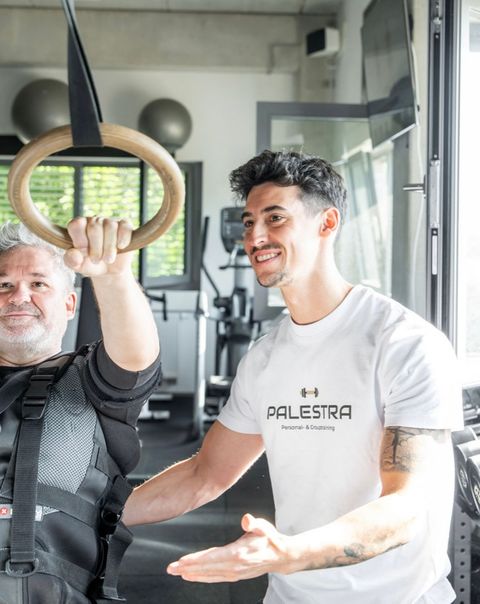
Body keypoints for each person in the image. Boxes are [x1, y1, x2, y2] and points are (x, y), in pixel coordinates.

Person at [123, 150, 463, 604]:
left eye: (275, 218)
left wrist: (287, 553)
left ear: (327, 223)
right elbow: (205, 474)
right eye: (249, 222)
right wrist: (88, 512)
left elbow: (406, 507)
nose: (255, 236)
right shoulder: (265, 359)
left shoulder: (404, 344)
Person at [0, 216, 161, 603]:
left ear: (70, 303)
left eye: (38, 284)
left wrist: (112, 275)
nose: (19, 296)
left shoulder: (89, 381)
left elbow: (135, 358)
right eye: (4, 285)